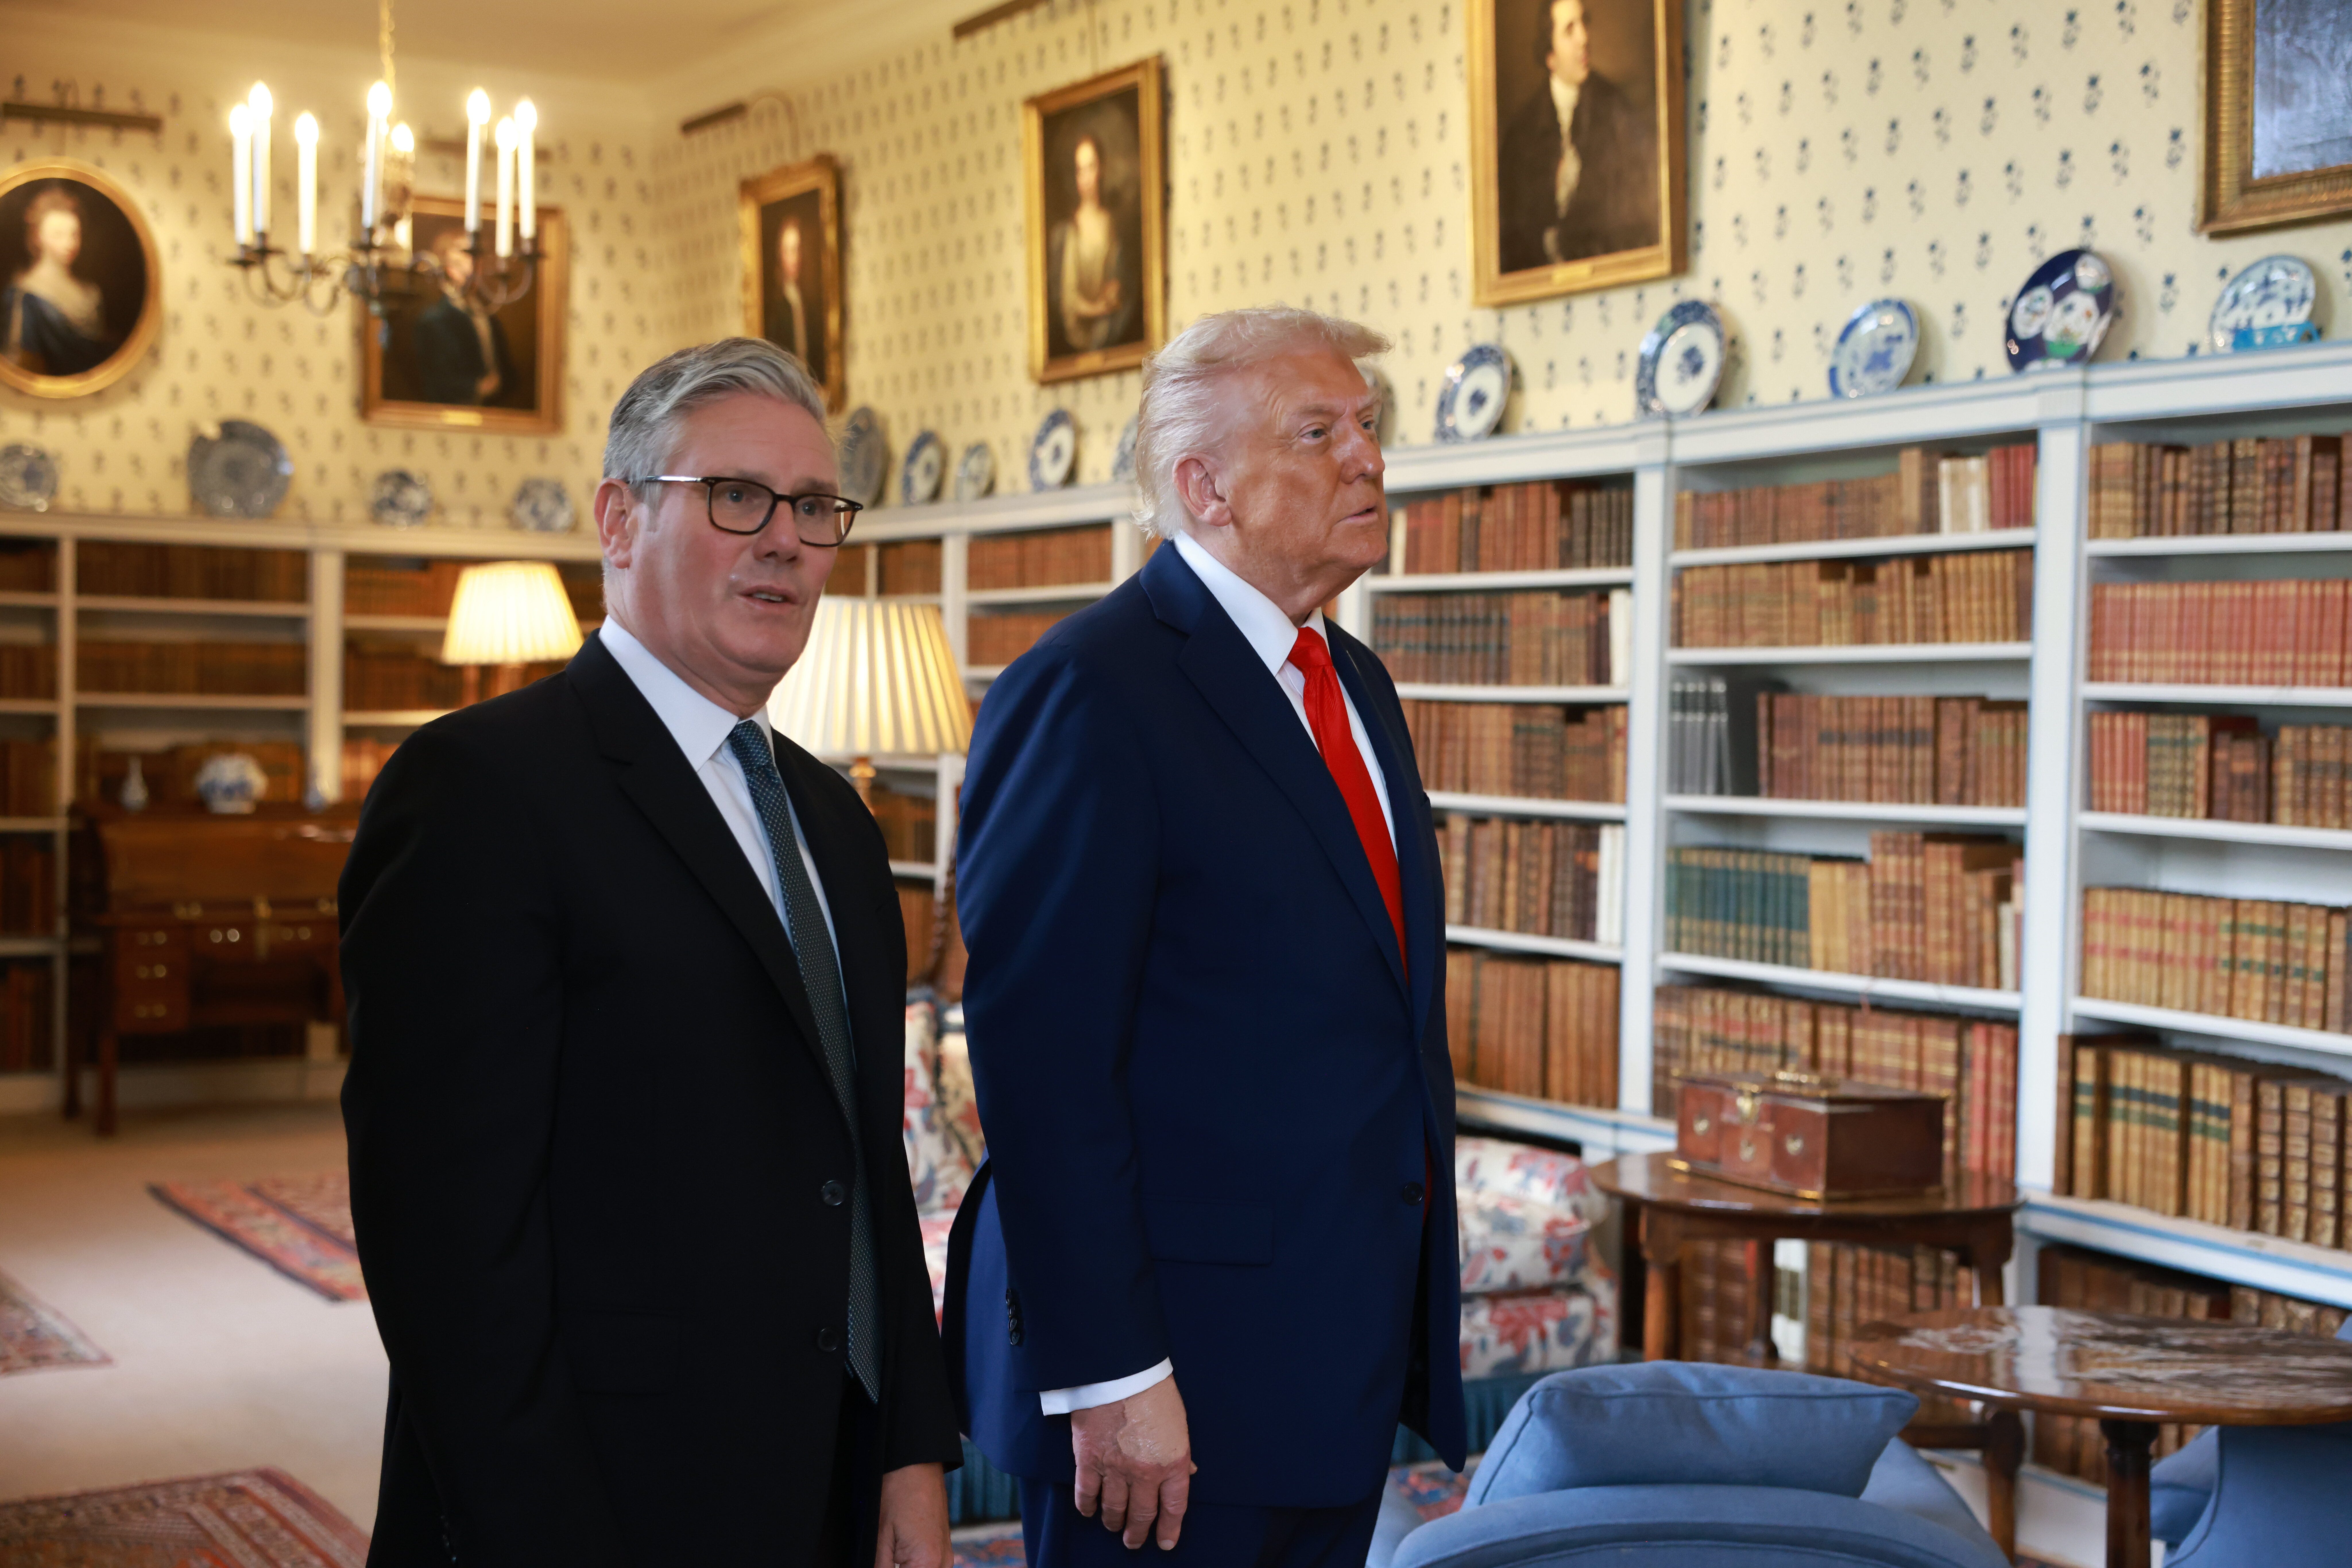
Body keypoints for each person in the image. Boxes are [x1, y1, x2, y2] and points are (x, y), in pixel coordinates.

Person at [341, 337, 960, 1568]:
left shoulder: (835, 821)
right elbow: (447, 1241)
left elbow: (866, 1172)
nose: (784, 538)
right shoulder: (479, 791)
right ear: (619, 521)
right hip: (593, 1503)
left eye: (815, 508)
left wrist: (907, 1449)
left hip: (822, 1482)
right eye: (735, 497)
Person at [945, 306, 1465, 1568]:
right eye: (1319, 431)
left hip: (1330, 1362)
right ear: (1204, 488)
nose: (1370, 459)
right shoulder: (1091, 691)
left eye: (1369, 429)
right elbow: (1043, 1067)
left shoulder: (1359, 686)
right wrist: (1112, 1373)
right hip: (1166, 1388)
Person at [1497, 0, 1662, 271]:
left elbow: (1636, 225)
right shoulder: (1521, 136)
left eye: (1584, 23)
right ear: (1550, 55)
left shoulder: (1618, 114)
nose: (1584, 39)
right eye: (1569, 30)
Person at [3, 184, 118, 378]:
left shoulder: (90, 291)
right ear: (38, 236)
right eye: (58, 235)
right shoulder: (24, 294)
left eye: (75, 234)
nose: (69, 244)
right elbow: (21, 364)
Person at [1047, 134, 1134, 355]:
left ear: (1101, 170)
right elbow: (1070, 301)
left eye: (1091, 167)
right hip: (1081, 334)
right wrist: (1098, 309)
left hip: (1107, 331)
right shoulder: (1070, 231)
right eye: (1080, 170)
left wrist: (1114, 293)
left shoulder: (1110, 224)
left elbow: (1118, 283)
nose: (1086, 178)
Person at [410, 228, 514, 405]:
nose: (475, 264)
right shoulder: (434, 320)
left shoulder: (487, 315)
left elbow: (507, 373)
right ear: (448, 265)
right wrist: (477, 388)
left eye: (477, 256)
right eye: (466, 255)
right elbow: (435, 382)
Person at [764, 214, 828, 386]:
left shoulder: (809, 304)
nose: (795, 258)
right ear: (781, 255)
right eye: (789, 251)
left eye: (798, 250)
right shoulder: (775, 306)